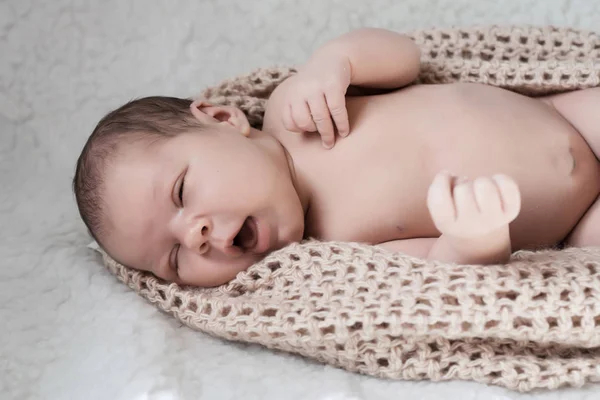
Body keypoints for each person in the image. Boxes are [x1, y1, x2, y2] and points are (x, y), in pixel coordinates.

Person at [73, 28, 600, 287]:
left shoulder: (296, 110)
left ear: (222, 119)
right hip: (577, 224)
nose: (196, 235)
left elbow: (406, 59)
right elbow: (442, 265)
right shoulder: (335, 251)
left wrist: (335, 61)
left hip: (570, 117)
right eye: (174, 259)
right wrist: (474, 239)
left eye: (182, 193)